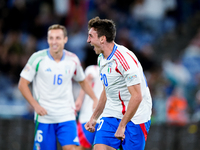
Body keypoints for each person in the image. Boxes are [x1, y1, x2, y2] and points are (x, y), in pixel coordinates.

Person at [18, 24, 98, 150]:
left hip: (67, 115)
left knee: (72, 148)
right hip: (45, 116)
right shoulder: (37, 58)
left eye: (58, 38)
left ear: (65, 39)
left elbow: (82, 81)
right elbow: (22, 84)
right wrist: (35, 105)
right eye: (51, 38)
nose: (54, 42)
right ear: (47, 40)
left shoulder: (73, 59)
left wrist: (94, 99)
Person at [85, 16, 152, 150]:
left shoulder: (124, 60)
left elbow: (137, 96)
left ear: (102, 39)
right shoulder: (101, 59)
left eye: (91, 36)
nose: (88, 40)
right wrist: (94, 117)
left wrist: (122, 125)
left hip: (136, 116)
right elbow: (107, 90)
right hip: (112, 113)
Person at [75, 65, 103, 150]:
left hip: (89, 115)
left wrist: (79, 98)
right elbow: (87, 81)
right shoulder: (110, 70)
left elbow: (87, 81)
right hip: (97, 115)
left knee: (82, 146)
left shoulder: (92, 68)